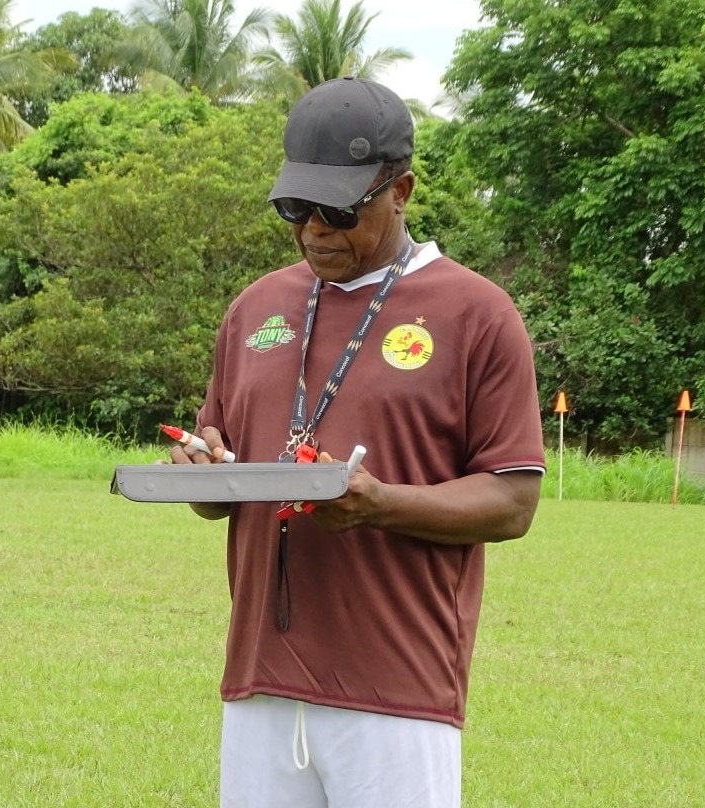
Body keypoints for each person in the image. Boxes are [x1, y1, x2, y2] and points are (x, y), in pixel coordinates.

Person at [167, 78, 546, 807]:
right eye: (294, 207)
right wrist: (203, 471)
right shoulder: (257, 308)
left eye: (338, 209)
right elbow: (220, 494)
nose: (314, 229)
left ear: (400, 190)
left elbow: (512, 501)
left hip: (397, 690)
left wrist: (378, 504)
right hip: (260, 682)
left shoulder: (476, 314)